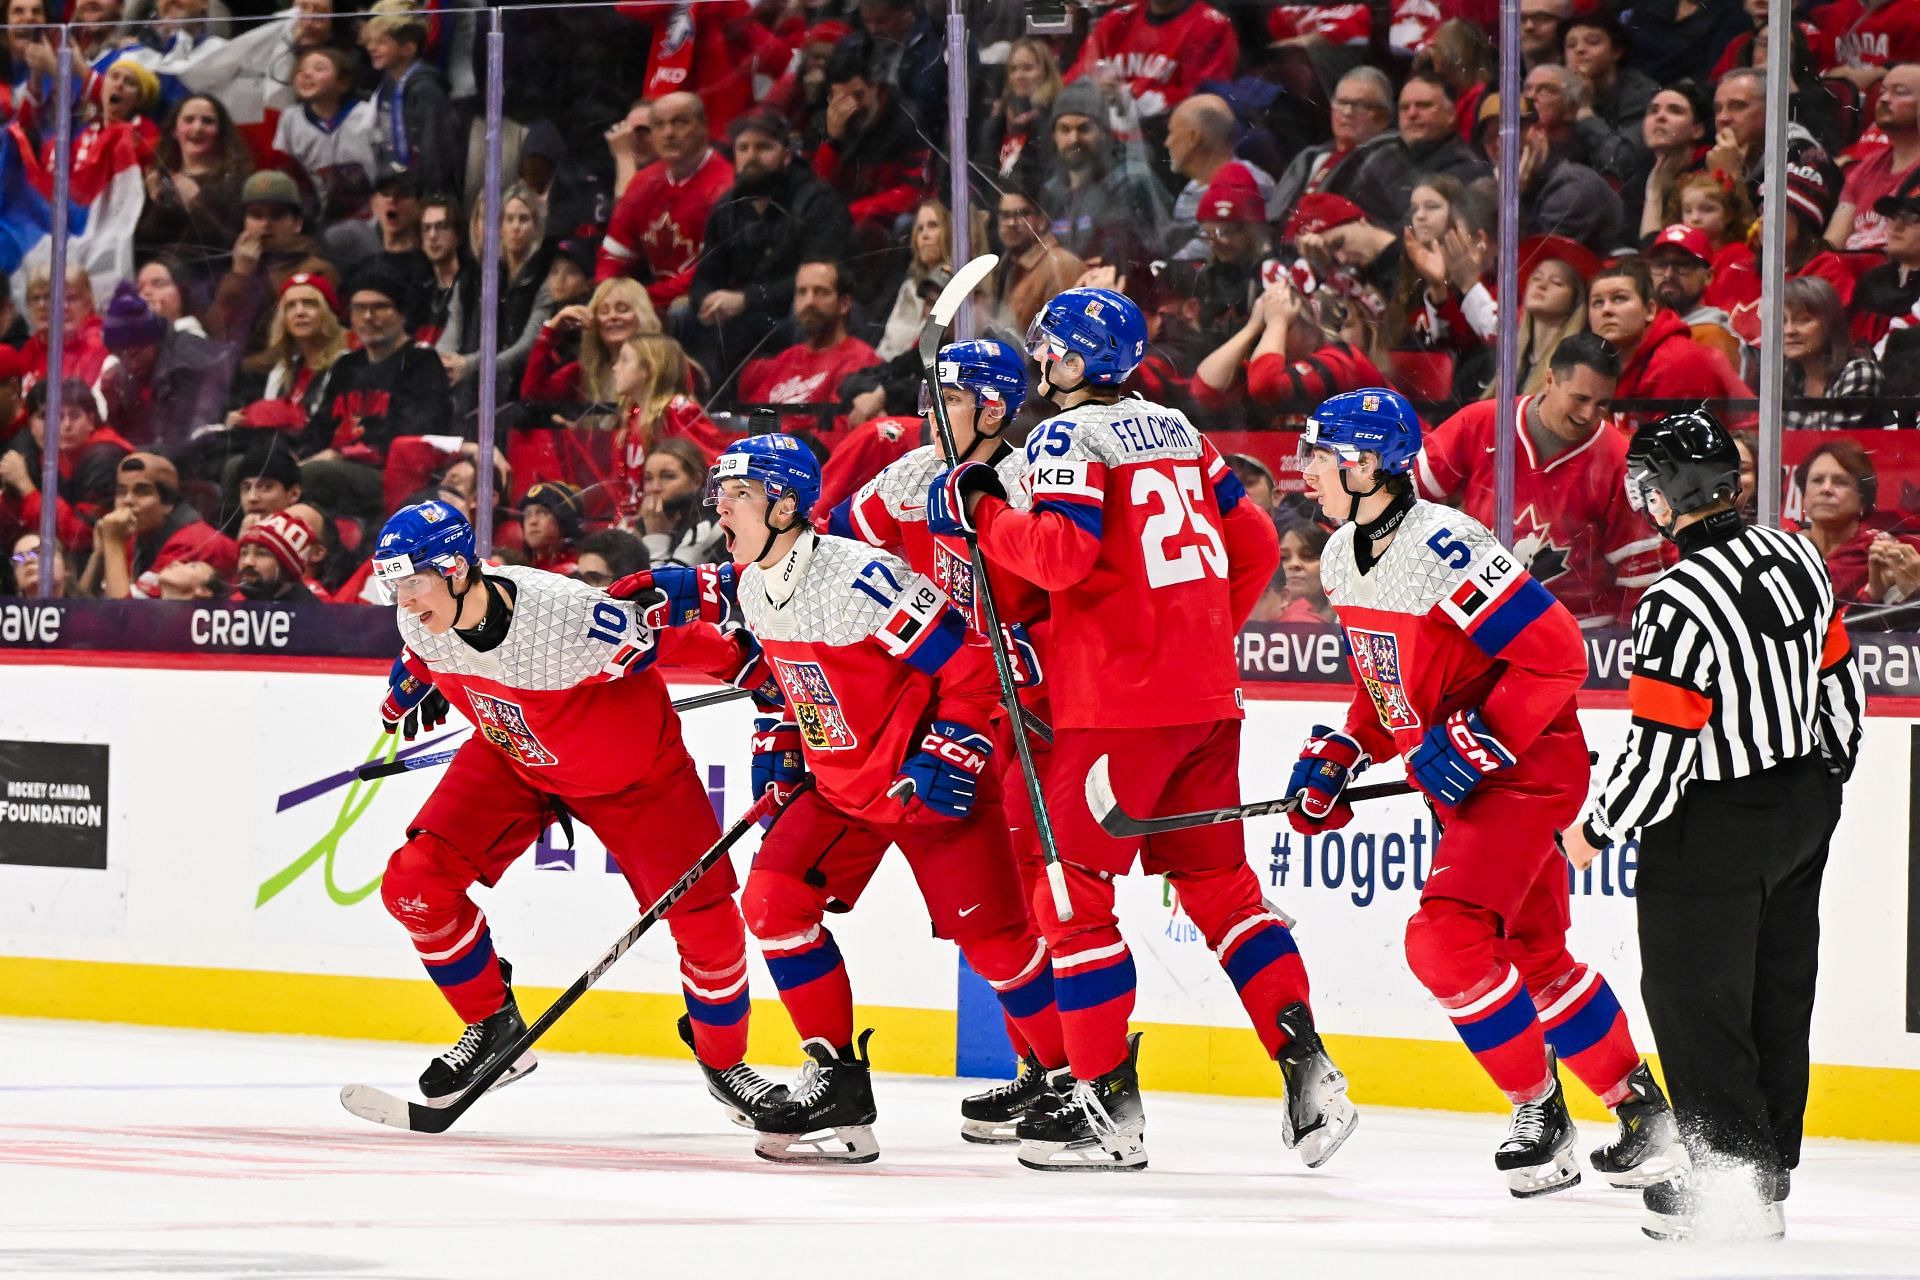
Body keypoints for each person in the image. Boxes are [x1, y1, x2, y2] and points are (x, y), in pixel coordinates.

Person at [933, 288, 1357, 1172]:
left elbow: (1059, 555)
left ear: (1084, 361)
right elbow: (1254, 551)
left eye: (1054, 350)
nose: (1044, 363)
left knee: (1070, 896)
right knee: (1224, 893)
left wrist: (983, 513)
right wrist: (1194, 636)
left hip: (1118, 710)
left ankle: (1104, 1114)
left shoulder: (1065, 436)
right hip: (1206, 701)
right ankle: (1310, 1072)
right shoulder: (1176, 430)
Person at [1291, 386, 1682, 1199]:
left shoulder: (1444, 544)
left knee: (1446, 940)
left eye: (1320, 456)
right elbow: (1387, 684)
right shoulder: (1338, 557)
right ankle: (1644, 1114)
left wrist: (1480, 736)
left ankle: (1539, 1110)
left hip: (1528, 769)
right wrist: (1342, 750)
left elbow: (1555, 655)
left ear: (1365, 464)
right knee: (1535, 955)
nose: (1306, 471)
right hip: (1475, 780)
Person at [631, 435, 1067, 1164]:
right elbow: (783, 682)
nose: (723, 509)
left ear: (787, 503)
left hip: (921, 782)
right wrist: (779, 743)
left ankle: (1072, 1082)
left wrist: (953, 747)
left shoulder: (863, 578)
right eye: (723, 496)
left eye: (739, 496)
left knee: (997, 945)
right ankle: (836, 1081)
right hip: (841, 790)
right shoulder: (752, 582)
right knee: (772, 903)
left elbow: (969, 665)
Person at [367, 498, 788, 1124]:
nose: (403, 600)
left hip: (637, 779)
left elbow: (677, 639)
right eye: (393, 584)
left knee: (708, 924)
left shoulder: (565, 619)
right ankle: (493, 1030)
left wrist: (763, 674)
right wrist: (414, 675)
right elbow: (429, 653)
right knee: (414, 884)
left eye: (415, 582)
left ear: (458, 569)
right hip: (514, 756)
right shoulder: (421, 620)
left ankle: (725, 1062)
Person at [1563, 409, 1862, 1242]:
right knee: (1775, 989)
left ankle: (1730, 1189)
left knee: (1698, 1000)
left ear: (1664, 496)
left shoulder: (1676, 600)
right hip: (1802, 805)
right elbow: (1839, 681)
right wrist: (1826, 778)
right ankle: (1766, 1176)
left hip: (1714, 823)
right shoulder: (1796, 550)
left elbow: (1662, 751)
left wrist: (1593, 831)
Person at [825, 339, 1065, 1141]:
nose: (929, 418)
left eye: (949, 402)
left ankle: (1065, 1075)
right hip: (946, 715)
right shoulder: (911, 476)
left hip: (1032, 726)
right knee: (993, 915)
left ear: (995, 410)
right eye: (931, 401)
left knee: (1032, 905)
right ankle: (1043, 1070)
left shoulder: (1035, 484)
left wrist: (1042, 649)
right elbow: (834, 546)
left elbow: (1085, 590)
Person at [1420, 334, 1663, 628]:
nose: (1589, 414)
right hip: (1480, 617)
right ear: (1550, 380)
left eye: (1602, 404)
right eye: (1581, 399)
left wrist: (1626, 647)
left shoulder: (1619, 459)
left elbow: (1640, 573)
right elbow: (1407, 493)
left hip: (1580, 629)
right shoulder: (1482, 422)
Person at [687, 112, 855, 391]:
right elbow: (706, 275)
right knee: (685, 317)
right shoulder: (727, 208)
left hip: (790, 305)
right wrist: (706, 301)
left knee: (804, 312)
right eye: (743, 148)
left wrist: (745, 299)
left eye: (763, 147)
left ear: (786, 154)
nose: (751, 156)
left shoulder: (816, 201)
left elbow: (820, 280)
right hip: (745, 311)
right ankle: (702, 408)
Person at [597, 91, 733, 312]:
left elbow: (709, 271)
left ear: (703, 126)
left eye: (679, 122)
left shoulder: (725, 186)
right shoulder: (642, 182)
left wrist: (642, 300)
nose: (669, 133)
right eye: (659, 125)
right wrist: (607, 292)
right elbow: (613, 254)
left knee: (680, 309)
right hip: (651, 301)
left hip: (700, 302)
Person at [1587, 258, 1751, 430]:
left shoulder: (1678, 360)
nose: (1606, 310)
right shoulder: (1601, 363)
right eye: (1598, 302)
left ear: (1650, 310)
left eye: (1619, 299)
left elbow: (1675, 449)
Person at [736, 262, 880, 432]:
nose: (809, 301)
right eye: (802, 292)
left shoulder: (861, 359)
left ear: (844, 304)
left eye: (821, 292)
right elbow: (746, 423)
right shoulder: (785, 359)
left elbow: (838, 434)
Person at [1345, 71, 1491, 228]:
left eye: (1424, 105)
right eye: (1404, 108)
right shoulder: (1381, 159)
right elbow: (1347, 212)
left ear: (1450, 115)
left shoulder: (1469, 169)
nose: (1412, 114)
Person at [84, 451, 236, 599]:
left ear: (168, 502)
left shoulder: (191, 542)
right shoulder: (131, 533)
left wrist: (113, 542)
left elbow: (127, 618)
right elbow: (80, 606)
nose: (128, 501)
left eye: (142, 491)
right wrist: (99, 554)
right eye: (122, 492)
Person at [1064, 0, 1239, 122]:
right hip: (1105, 145)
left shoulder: (1211, 26)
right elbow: (1075, 81)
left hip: (1170, 145)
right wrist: (1094, 90)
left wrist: (1131, 95)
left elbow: (1206, 103)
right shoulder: (1114, 22)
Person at [362, 9, 457, 195]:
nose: (371, 48)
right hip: (395, 186)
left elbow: (434, 147)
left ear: (408, 48)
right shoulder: (387, 85)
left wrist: (433, 194)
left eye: (381, 42)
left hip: (423, 190)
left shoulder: (426, 89)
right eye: (370, 42)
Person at [1783, 277, 1884, 430]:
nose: (1789, 330)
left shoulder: (1858, 372)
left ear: (1830, 325)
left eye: (1803, 320)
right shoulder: (1783, 377)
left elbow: (1831, 444)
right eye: (1782, 321)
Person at [233, 508, 316, 602]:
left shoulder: (312, 613)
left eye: (262, 554)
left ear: (287, 567)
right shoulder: (239, 607)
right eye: (244, 553)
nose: (247, 561)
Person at [518, 479, 583, 575]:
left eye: (543, 513)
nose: (532, 521)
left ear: (564, 521)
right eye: (527, 515)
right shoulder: (519, 568)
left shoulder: (577, 570)